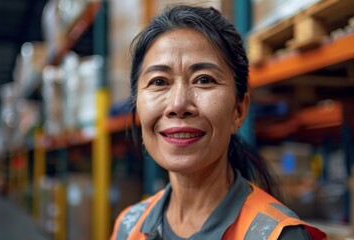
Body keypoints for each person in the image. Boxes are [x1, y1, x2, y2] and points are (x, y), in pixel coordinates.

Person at [110, 4, 327, 240]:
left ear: (239, 110)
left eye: (204, 79)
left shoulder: (278, 235)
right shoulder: (128, 227)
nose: (178, 105)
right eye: (159, 82)